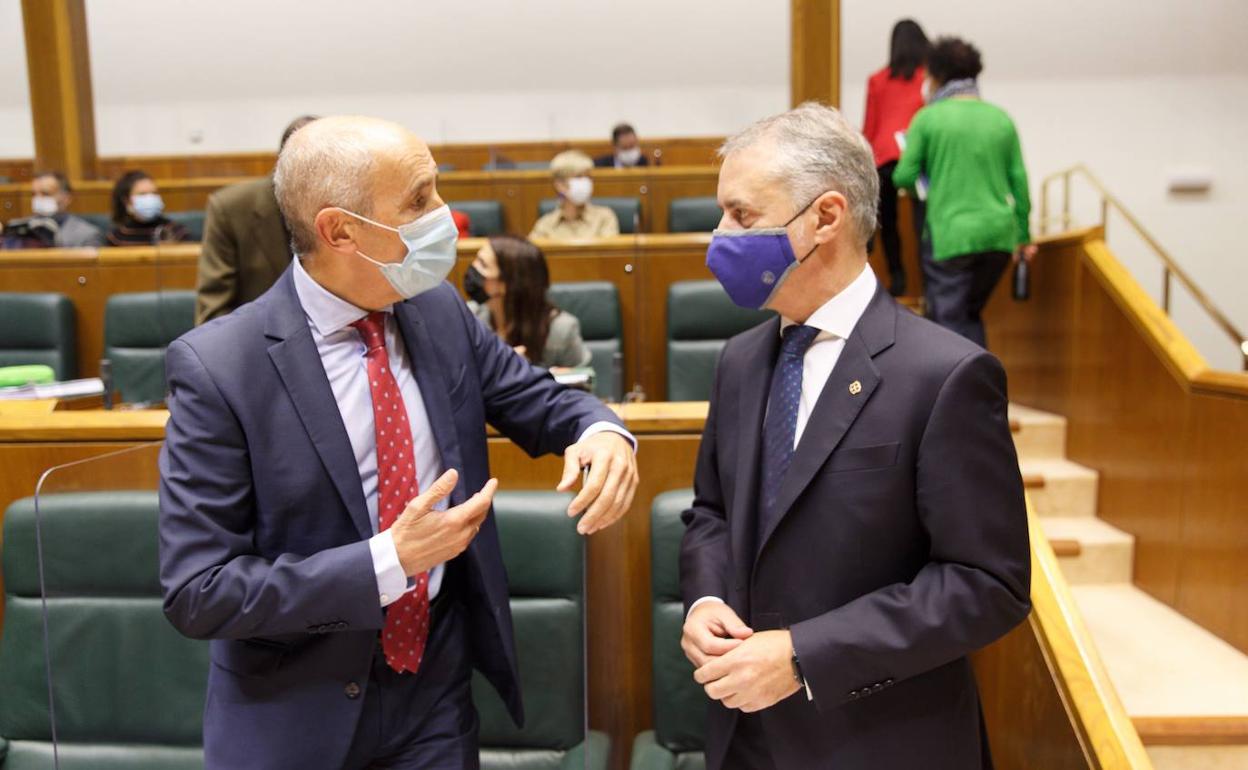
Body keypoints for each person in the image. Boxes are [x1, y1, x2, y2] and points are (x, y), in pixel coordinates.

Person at [158, 115, 639, 769]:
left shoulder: (437, 310)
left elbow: (538, 398)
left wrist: (602, 431)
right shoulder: (220, 366)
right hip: (295, 711)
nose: (446, 215)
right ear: (339, 231)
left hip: (432, 692)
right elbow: (199, 590)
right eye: (419, 199)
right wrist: (388, 561)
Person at [679, 102, 1030, 770]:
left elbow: (988, 584)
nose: (718, 236)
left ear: (827, 217)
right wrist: (705, 597)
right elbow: (712, 513)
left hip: (880, 742)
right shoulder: (739, 362)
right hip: (743, 739)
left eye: (741, 214)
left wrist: (806, 656)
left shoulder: (946, 374)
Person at [893, 37, 1035, 348]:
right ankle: (980, 391)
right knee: (969, 315)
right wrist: (1023, 236)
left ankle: (958, 395)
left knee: (948, 324)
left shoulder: (928, 118)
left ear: (936, 75)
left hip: (950, 235)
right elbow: (1020, 183)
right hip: (998, 237)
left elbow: (903, 176)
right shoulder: (1000, 118)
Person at [194, 115, 317, 325]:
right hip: (256, 343)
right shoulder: (232, 208)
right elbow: (213, 311)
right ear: (284, 163)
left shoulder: (347, 205)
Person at [862, 19, 929, 296]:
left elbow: (869, 127)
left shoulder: (877, 80)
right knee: (922, 221)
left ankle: (897, 278)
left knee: (888, 222)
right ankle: (926, 282)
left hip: (882, 158)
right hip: (914, 156)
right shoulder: (927, 79)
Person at [463, 235, 592, 369]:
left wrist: (538, 376)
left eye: (483, 264)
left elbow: (584, 384)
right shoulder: (469, 316)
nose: (473, 267)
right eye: (476, 259)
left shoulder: (561, 329)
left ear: (507, 284)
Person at [529, 150, 620, 240]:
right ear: (560, 185)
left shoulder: (604, 218)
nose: (586, 182)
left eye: (588, 177)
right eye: (579, 176)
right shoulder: (545, 225)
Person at [0, 171, 105, 248]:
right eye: (34, 194)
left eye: (45, 193)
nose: (38, 198)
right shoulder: (16, 228)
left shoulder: (86, 234)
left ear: (66, 198)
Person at [106, 170, 190, 245]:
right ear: (127, 200)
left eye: (154, 193)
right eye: (142, 194)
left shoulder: (177, 231)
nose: (150, 198)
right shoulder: (116, 238)